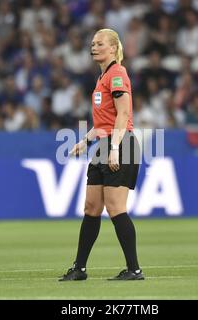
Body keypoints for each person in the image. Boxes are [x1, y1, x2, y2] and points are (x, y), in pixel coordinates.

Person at [59, 28, 144, 281]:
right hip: (103, 145)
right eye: (92, 43)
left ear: (113, 48)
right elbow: (105, 121)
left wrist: (115, 147)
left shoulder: (117, 74)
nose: (93, 47)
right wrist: (85, 141)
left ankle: (134, 269)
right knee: (91, 208)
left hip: (121, 144)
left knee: (116, 208)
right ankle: (79, 268)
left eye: (99, 43)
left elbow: (124, 114)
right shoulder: (103, 78)